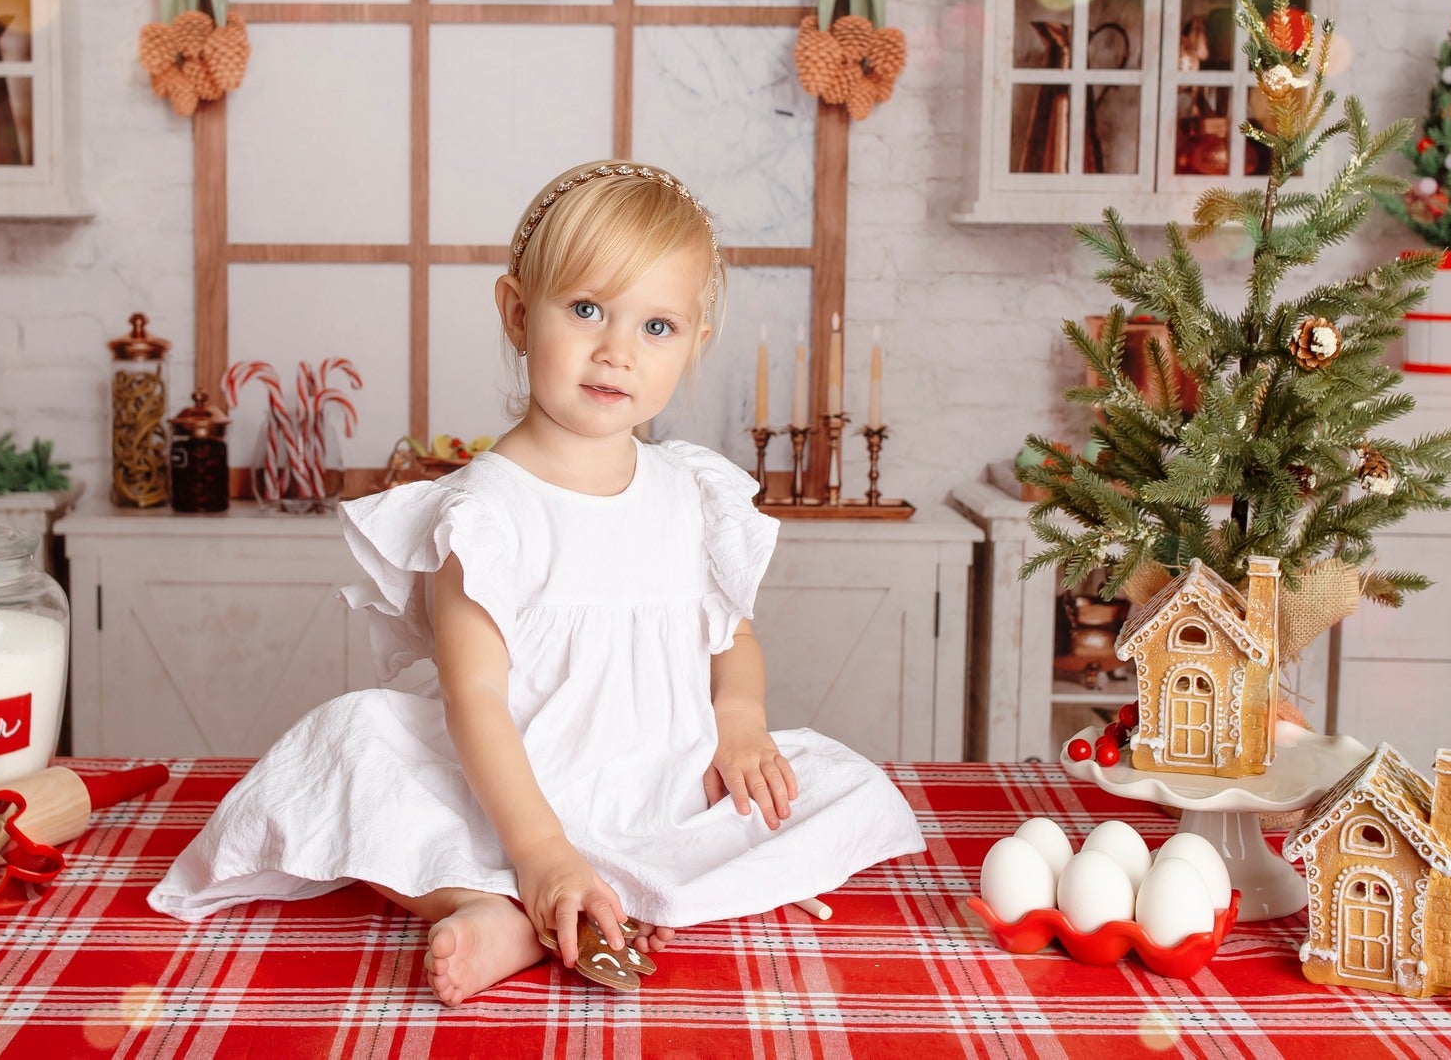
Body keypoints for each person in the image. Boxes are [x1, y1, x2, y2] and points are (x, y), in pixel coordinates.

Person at [149, 160, 923, 1005]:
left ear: (695, 341)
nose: (617, 349)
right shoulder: (485, 510)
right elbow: (473, 696)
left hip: (660, 777)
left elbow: (729, 634)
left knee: (838, 785)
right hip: (513, 792)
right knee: (352, 749)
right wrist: (541, 846)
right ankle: (498, 900)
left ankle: (613, 891)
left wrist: (739, 724)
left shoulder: (693, 492)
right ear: (519, 313)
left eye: (656, 326)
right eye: (586, 308)